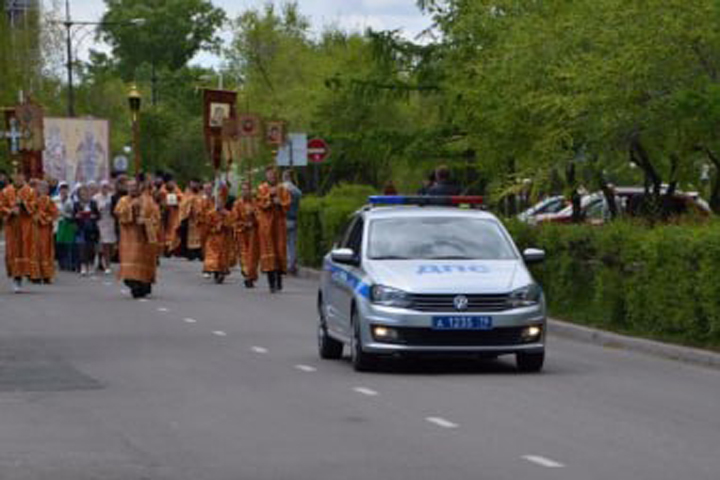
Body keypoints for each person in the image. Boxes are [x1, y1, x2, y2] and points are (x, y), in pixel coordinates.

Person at [114, 178, 161, 299]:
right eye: (129, 187)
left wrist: (145, 222)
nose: (132, 189)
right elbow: (119, 214)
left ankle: (144, 285)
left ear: (139, 187)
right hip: (129, 240)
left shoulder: (148, 201)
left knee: (143, 265)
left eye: (134, 186)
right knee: (131, 266)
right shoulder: (123, 200)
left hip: (145, 240)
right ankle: (134, 285)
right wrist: (131, 207)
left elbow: (157, 218)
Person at [0, 172, 39, 292]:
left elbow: (34, 206)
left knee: (25, 251)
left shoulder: (30, 191)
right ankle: (15, 279)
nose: (19, 178)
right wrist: (10, 211)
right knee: (13, 252)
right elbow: (1, 206)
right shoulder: (6, 191)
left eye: (21, 176)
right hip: (12, 227)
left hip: (25, 227)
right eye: (16, 176)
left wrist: (23, 204)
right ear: (12, 177)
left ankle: (23, 277)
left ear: (24, 177)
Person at [256, 166, 291, 293]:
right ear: (266, 176)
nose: (271, 177)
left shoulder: (282, 188)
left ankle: (279, 280)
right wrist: (269, 199)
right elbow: (259, 203)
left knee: (280, 250)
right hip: (266, 226)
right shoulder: (261, 188)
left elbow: (287, 203)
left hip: (279, 224)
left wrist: (280, 202)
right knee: (269, 253)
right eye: (269, 175)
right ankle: (271, 283)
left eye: (273, 174)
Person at [202, 184, 236, 284]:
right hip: (213, 238)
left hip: (224, 239)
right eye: (217, 202)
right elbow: (207, 226)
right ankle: (214, 271)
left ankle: (221, 273)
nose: (219, 204)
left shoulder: (228, 214)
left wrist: (224, 224)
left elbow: (231, 225)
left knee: (223, 257)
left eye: (221, 202)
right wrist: (215, 228)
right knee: (213, 256)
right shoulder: (210, 213)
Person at [233, 181, 260, 288]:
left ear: (250, 190)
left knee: (253, 256)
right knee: (244, 254)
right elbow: (234, 219)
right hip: (242, 233)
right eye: (243, 189)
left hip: (253, 233)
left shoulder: (256, 203)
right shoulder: (237, 203)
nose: (245, 191)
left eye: (247, 189)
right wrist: (243, 224)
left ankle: (251, 275)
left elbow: (261, 217)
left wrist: (254, 219)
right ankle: (247, 275)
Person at [34, 180, 58, 283]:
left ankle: (47, 274)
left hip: (45, 230)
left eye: (44, 188)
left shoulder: (49, 200)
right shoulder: (33, 200)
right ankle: (35, 274)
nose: (42, 190)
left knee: (46, 251)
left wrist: (44, 218)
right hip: (34, 229)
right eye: (40, 187)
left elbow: (54, 214)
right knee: (35, 251)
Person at [73, 185, 100, 276]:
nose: (84, 195)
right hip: (81, 228)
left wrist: (94, 216)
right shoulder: (76, 204)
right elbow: (74, 216)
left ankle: (91, 264)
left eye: (86, 193)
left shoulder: (93, 203)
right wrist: (77, 216)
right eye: (82, 194)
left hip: (91, 228)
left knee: (90, 248)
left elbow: (98, 215)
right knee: (82, 247)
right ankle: (83, 266)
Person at [178, 179, 206, 261]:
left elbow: (204, 204)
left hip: (200, 219)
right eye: (193, 184)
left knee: (200, 236)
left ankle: (200, 253)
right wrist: (190, 204)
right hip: (190, 219)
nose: (194, 186)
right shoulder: (187, 194)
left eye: (196, 184)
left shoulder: (202, 194)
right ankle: (190, 253)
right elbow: (183, 205)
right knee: (189, 236)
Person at [94, 180, 117, 274]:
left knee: (111, 244)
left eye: (106, 187)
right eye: (103, 187)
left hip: (110, 222)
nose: (105, 189)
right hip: (100, 222)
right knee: (104, 244)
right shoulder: (96, 198)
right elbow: (94, 209)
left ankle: (105, 261)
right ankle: (105, 264)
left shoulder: (112, 197)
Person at [282, 170, 302, 276]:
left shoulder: (281, 189)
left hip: (282, 219)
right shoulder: (297, 191)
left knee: (283, 243)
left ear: (285, 177)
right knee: (292, 243)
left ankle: (284, 265)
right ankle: (292, 265)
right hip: (293, 218)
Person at [55, 183, 76, 271]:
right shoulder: (55, 199)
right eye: (62, 188)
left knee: (68, 244)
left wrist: (66, 214)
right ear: (59, 190)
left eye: (65, 188)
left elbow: (73, 212)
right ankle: (61, 262)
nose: (64, 190)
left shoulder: (72, 200)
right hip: (57, 223)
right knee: (59, 244)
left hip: (68, 223)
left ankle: (68, 263)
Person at [161, 178, 183, 256]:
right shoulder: (163, 190)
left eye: (173, 182)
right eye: (171, 182)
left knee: (173, 231)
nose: (172, 184)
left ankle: (171, 249)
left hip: (174, 215)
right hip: (164, 215)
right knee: (164, 231)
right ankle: (165, 249)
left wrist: (178, 202)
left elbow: (181, 199)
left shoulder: (176, 190)